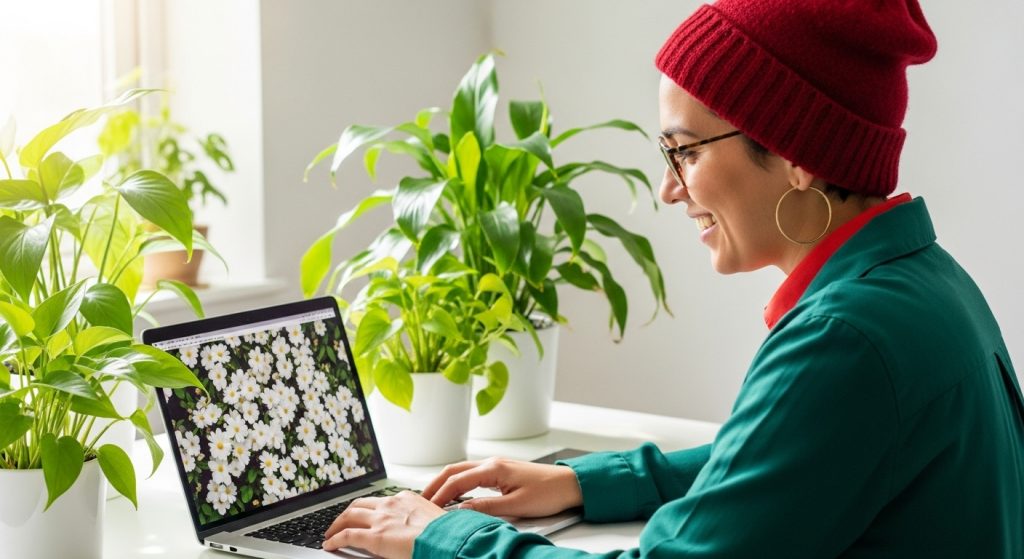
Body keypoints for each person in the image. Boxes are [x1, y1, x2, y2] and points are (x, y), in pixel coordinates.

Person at [322, 1, 1024, 557]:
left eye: (683, 150)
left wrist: (440, 537)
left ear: (795, 153)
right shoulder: (928, 286)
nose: (668, 188)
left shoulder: (845, 341)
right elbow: (784, 464)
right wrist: (582, 482)